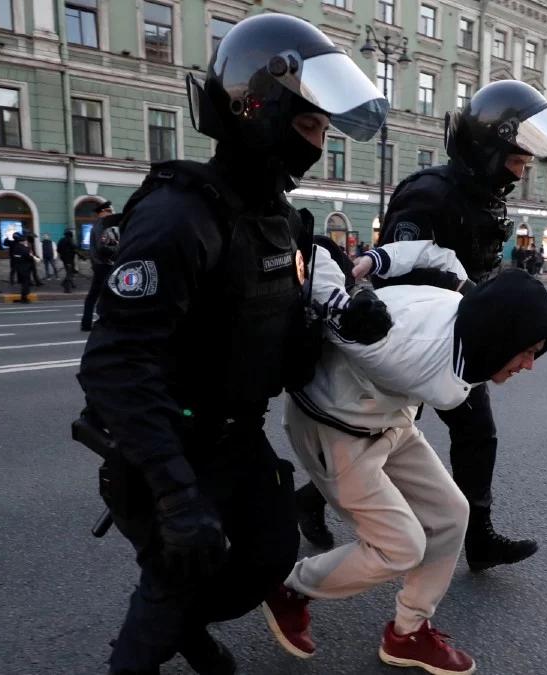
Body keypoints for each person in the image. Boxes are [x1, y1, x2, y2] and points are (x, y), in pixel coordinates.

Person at [75, 13, 389, 675]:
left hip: (237, 435)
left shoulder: (277, 219)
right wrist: (175, 493)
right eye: (308, 125)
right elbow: (114, 363)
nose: (318, 141)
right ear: (258, 112)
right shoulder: (180, 214)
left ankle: (185, 625)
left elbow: (272, 332)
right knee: (176, 573)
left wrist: (337, 324)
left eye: (324, 127)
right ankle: (161, 640)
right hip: (167, 441)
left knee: (268, 555)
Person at [293, 79, 547, 572]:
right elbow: (404, 274)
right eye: (515, 161)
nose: (520, 172)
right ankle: (462, 532)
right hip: (423, 340)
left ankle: (474, 534)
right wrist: (468, 299)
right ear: (488, 150)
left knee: (445, 434)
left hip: (465, 334)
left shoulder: (483, 190)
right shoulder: (429, 195)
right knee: (404, 433)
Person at [265, 244, 547, 674]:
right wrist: (339, 288)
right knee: (400, 547)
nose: (530, 364)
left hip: (388, 420)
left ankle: (407, 633)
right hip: (334, 429)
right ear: (504, 334)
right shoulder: (402, 349)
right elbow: (317, 273)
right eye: (528, 351)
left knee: (451, 514)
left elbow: (437, 254)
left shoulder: (469, 304)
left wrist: (372, 260)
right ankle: (290, 588)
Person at [80, 201, 116, 331]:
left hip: (99, 264)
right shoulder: (102, 225)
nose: (111, 214)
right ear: (103, 212)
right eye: (109, 211)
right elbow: (102, 248)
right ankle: (104, 321)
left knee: (95, 295)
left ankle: (87, 323)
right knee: (109, 294)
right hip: (103, 264)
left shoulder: (96, 226)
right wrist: (116, 252)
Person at [8, 231, 33, 303]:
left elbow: (15, 256)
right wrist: (30, 255)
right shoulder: (25, 249)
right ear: (22, 241)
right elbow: (29, 257)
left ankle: (23, 297)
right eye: (25, 240)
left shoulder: (16, 248)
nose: (26, 241)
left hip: (19, 267)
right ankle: (24, 298)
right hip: (25, 267)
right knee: (25, 283)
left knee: (23, 282)